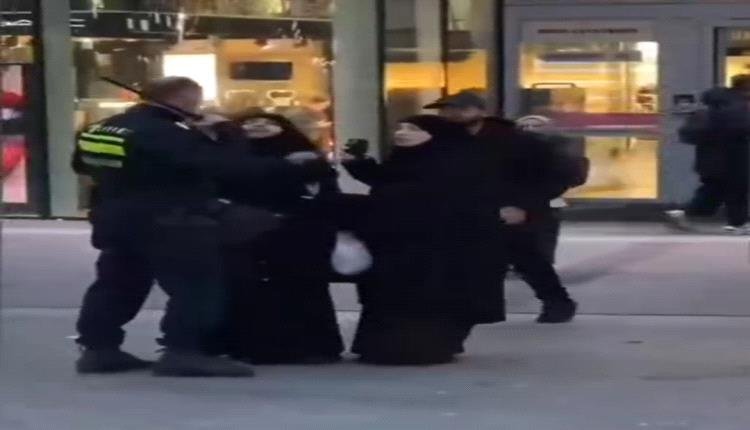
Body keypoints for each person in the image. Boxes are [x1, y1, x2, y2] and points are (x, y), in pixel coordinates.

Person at [73, 77, 323, 377]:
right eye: (196, 101)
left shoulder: (102, 128)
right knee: (196, 286)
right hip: (172, 221)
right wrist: (232, 135)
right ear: (182, 100)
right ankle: (184, 352)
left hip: (115, 218)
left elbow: (81, 165)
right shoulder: (168, 133)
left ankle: (99, 349)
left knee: (118, 283)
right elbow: (228, 166)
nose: (199, 107)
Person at [343, 115, 507, 365]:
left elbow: (428, 195)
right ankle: (382, 346)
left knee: (426, 298)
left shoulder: (457, 164)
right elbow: (390, 179)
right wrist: (360, 166)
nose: (402, 132)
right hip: (398, 242)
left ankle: (421, 348)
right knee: (391, 297)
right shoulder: (406, 158)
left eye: (413, 129)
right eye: (400, 127)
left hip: (438, 248)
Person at [424, 90, 579, 323]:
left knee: (526, 258)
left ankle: (558, 301)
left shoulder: (516, 141)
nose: (451, 115)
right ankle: (471, 307)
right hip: (466, 210)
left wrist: (523, 206)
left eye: (460, 109)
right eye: (445, 110)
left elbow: (554, 176)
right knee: (464, 260)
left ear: (480, 112)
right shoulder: (443, 141)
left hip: (511, 211)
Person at [216, 112, 344, 364]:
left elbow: (325, 195)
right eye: (250, 122)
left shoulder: (307, 159)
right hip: (245, 234)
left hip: (299, 235)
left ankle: (311, 347)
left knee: (302, 290)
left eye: (268, 123)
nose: (259, 126)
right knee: (250, 291)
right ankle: (255, 346)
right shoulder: (227, 159)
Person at [666, 75, 750, 234]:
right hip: (733, 158)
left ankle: (682, 213)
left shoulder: (710, 109)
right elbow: (741, 129)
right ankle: (737, 224)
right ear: (745, 88)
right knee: (736, 191)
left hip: (709, 159)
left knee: (713, 193)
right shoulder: (737, 108)